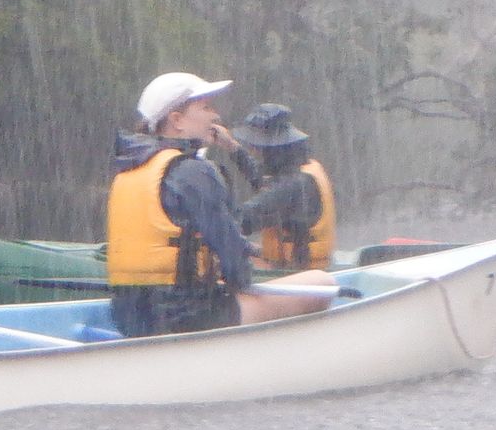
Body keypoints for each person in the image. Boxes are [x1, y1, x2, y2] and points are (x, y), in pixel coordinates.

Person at [105, 72, 337, 337]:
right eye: (205, 107)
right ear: (177, 120)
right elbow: (237, 270)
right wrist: (236, 270)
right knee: (322, 283)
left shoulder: (131, 167)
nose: (215, 115)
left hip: (129, 317)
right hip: (187, 319)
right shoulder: (195, 171)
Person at [231, 103, 337, 271]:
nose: (255, 152)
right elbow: (264, 182)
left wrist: (206, 216)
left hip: (298, 276)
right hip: (312, 268)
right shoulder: (305, 171)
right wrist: (233, 148)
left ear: (274, 152)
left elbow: (243, 220)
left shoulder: (292, 186)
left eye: (259, 148)